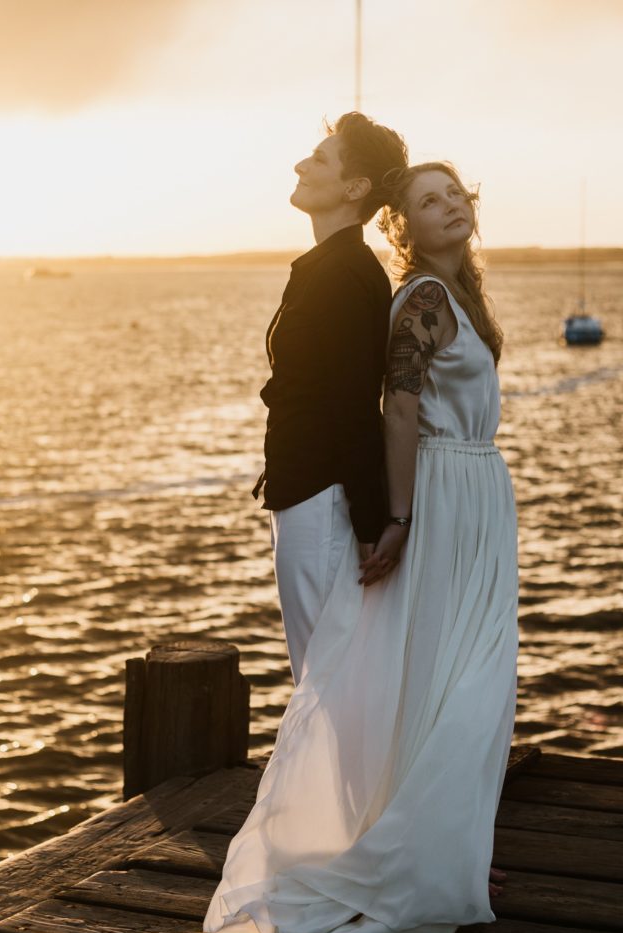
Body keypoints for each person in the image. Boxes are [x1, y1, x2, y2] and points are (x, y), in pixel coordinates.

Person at [204, 160, 518, 933]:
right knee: (462, 683)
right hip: (443, 492)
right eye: (427, 201)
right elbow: (401, 407)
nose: (448, 207)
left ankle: (442, 849)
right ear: (402, 225)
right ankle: (408, 855)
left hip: (478, 490)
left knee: (461, 678)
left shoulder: (463, 296)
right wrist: (401, 514)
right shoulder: (420, 298)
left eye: (455, 196)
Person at [251, 112, 409, 683]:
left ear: (355, 188)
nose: (301, 164)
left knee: (325, 678)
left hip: (323, 501)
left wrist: (370, 524)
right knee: (322, 673)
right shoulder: (330, 267)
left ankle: (340, 778)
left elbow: (354, 407)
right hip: (308, 492)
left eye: (320, 159)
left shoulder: (344, 273)